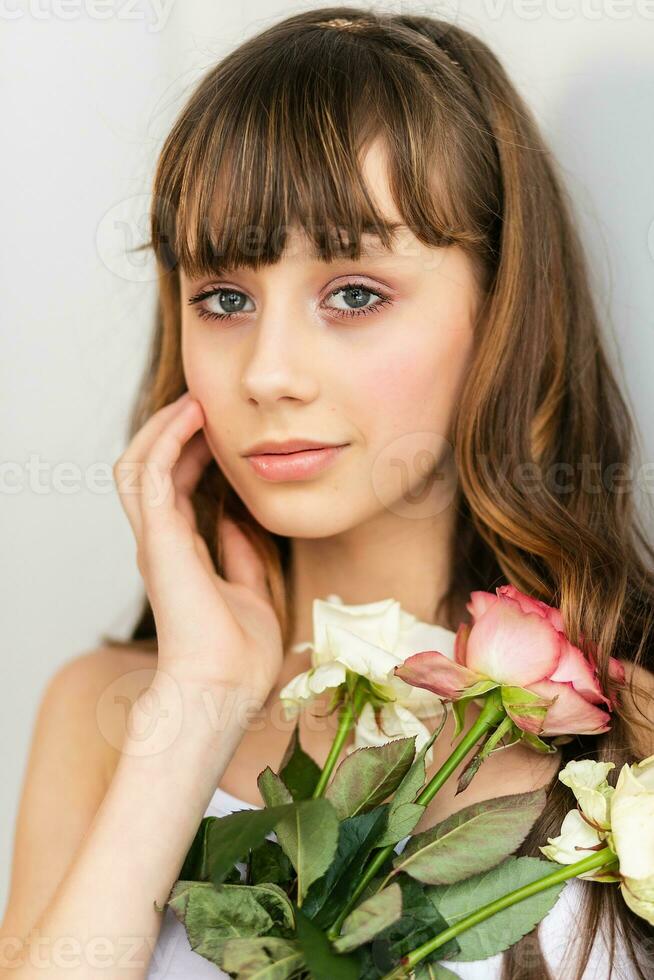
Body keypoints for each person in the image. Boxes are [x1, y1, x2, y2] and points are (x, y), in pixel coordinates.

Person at [2, 7, 653, 979]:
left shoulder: (636, 731)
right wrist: (199, 702)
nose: (266, 373)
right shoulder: (109, 709)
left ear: (501, 308)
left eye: (354, 292)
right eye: (223, 297)